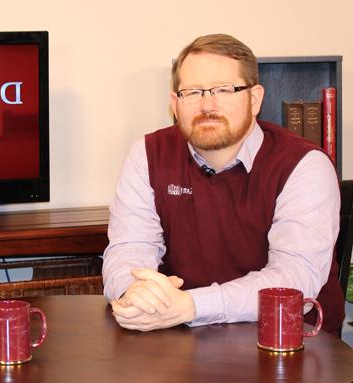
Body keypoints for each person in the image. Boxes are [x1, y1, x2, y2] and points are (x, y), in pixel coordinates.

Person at [103, 34, 344, 334]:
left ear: (254, 99)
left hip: (288, 347)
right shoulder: (147, 155)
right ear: (175, 103)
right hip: (180, 348)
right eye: (192, 92)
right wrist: (134, 294)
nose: (207, 105)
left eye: (224, 90)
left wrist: (191, 305)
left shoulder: (305, 165)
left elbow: (293, 279)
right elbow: (128, 249)